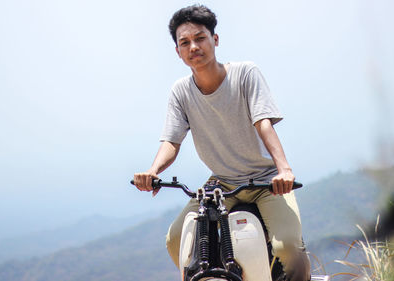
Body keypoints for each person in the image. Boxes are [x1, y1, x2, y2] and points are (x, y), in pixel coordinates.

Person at [133, 4, 310, 281]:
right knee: (177, 240)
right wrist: (154, 171)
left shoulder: (245, 74)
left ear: (215, 39)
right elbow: (171, 141)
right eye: (185, 42)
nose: (193, 46)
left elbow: (263, 122)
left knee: (288, 248)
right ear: (178, 52)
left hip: (265, 180)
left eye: (200, 38)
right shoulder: (180, 92)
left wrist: (284, 170)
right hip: (221, 184)